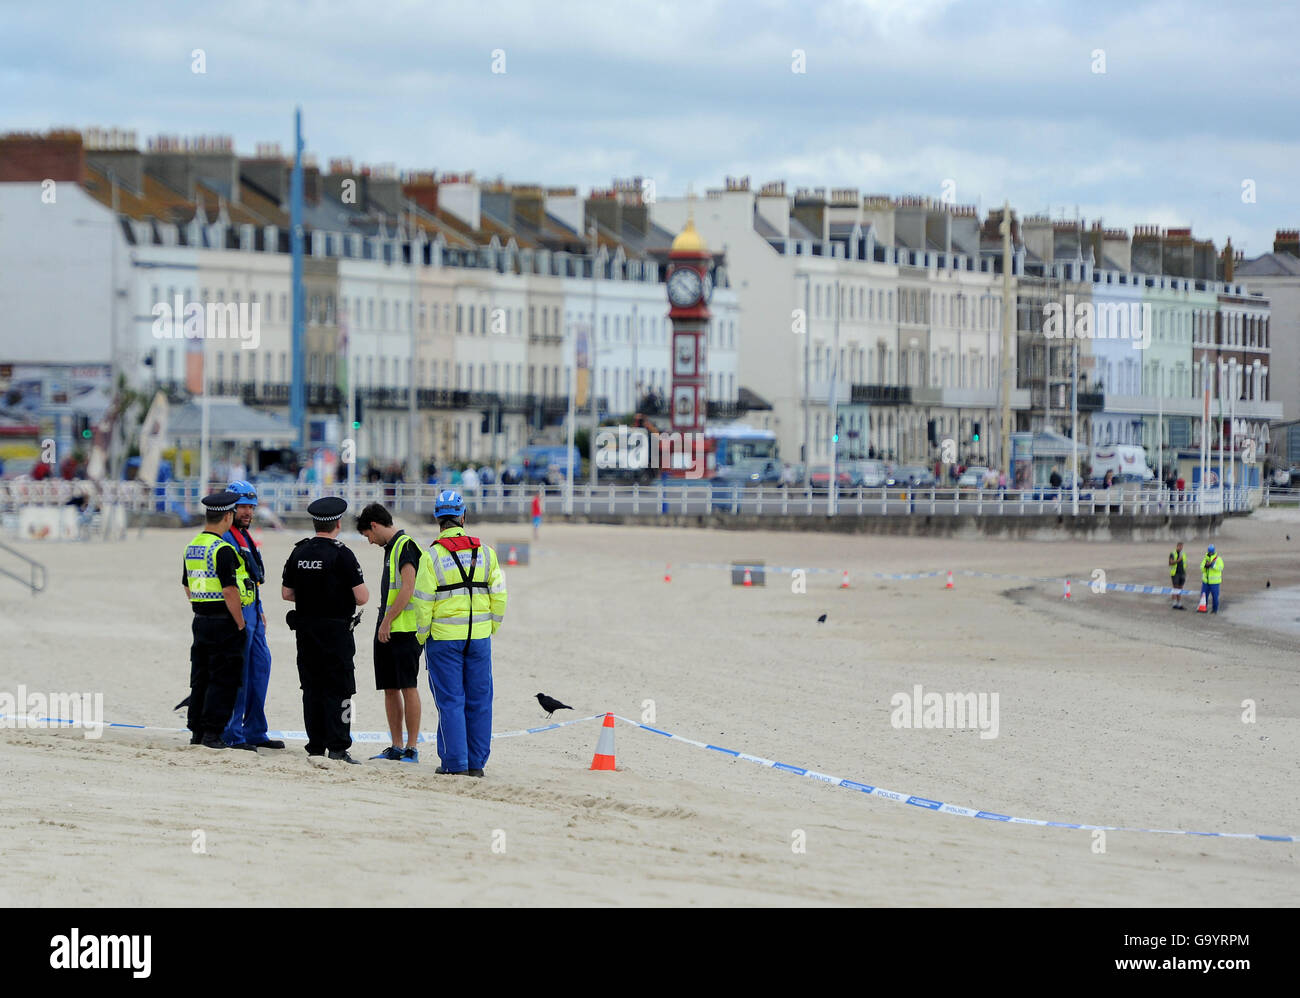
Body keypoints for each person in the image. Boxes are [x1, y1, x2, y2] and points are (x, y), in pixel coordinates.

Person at [423, 489, 507, 777]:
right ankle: (476, 764)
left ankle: (454, 763)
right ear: (462, 516)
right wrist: (490, 626)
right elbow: (500, 595)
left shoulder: (432, 555)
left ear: (438, 519)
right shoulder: (486, 553)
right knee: (480, 700)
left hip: (444, 639)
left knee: (450, 701)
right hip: (480, 638)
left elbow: (423, 601)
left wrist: (423, 635)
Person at [281, 497, 369, 765]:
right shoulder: (342, 554)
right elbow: (362, 597)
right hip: (336, 631)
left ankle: (316, 744)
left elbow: (287, 593)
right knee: (342, 690)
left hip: (306, 630)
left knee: (311, 687)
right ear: (338, 523)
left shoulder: (299, 552)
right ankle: (339, 746)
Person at [356, 503, 436, 762]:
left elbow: (408, 587)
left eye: (368, 535)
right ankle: (396, 745)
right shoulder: (390, 549)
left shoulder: (406, 545)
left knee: (407, 687)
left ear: (375, 526)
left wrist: (387, 620)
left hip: (405, 629)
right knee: (390, 688)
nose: (369, 541)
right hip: (388, 628)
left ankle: (412, 747)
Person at [181, 492, 252, 750]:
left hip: (200, 620)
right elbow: (230, 590)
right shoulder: (222, 549)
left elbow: (187, 585)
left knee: (200, 676)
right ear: (227, 516)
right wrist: (240, 623)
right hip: (224, 622)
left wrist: (199, 604)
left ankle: (197, 731)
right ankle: (213, 733)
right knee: (224, 678)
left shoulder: (193, 546)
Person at [220, 481, 284, 750]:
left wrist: (259, 610)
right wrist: (240, 618)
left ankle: (255, 730)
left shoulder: (244, 536)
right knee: (239, 673)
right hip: (238, 615)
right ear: (231, 508)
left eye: (251, 506)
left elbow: (251, 578)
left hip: (254, 612)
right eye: (243, 506)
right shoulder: (226, 537)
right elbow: (228, 583)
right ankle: (233, 733)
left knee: (260, 668)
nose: (248, 512)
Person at [1199, 544, 1224, 614]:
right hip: (1206, 582)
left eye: (1211, 552)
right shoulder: (1205, 559)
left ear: (1213, 551)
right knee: (1203, 596)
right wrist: (1205, 566)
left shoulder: (1218, 559)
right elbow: (1201, 567)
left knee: (1215, 597)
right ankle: (1203, 608)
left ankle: (1214, 610)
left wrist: (1212, 565)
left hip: (1215, 582)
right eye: (1209, 551)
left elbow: (1221, 568)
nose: (1210, 553)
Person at [1168, 541, 1187, 610]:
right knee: (1175, 588)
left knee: (1180, 589)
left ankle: (1179, 603)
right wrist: (1178, 560)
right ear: (1177, 546)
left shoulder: (1184, 554)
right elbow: (1170, 563)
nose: (1181, 548)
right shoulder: (1173, 553)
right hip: (1175, 573)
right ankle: (1174, 603)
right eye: (1180, 546)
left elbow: (1185, 563)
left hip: (1182, 573)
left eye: (1182, 547)